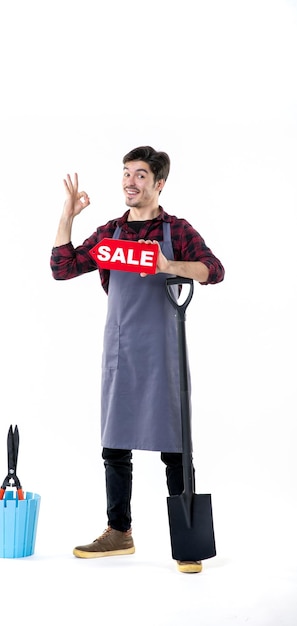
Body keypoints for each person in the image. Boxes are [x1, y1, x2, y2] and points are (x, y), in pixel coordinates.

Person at [50, 146, 224, 574]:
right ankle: (118, 532)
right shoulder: (112, 233)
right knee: (114, 444)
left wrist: (171, 265)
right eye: (126, 173)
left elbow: (213, 270)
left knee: (175, 449)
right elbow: (62, 267)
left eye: (141, 175)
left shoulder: (176, 229)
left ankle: (186, 543)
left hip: (164, 350)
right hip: (122, 348)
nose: (130, 181)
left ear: (159, 183)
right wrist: (68, 215)